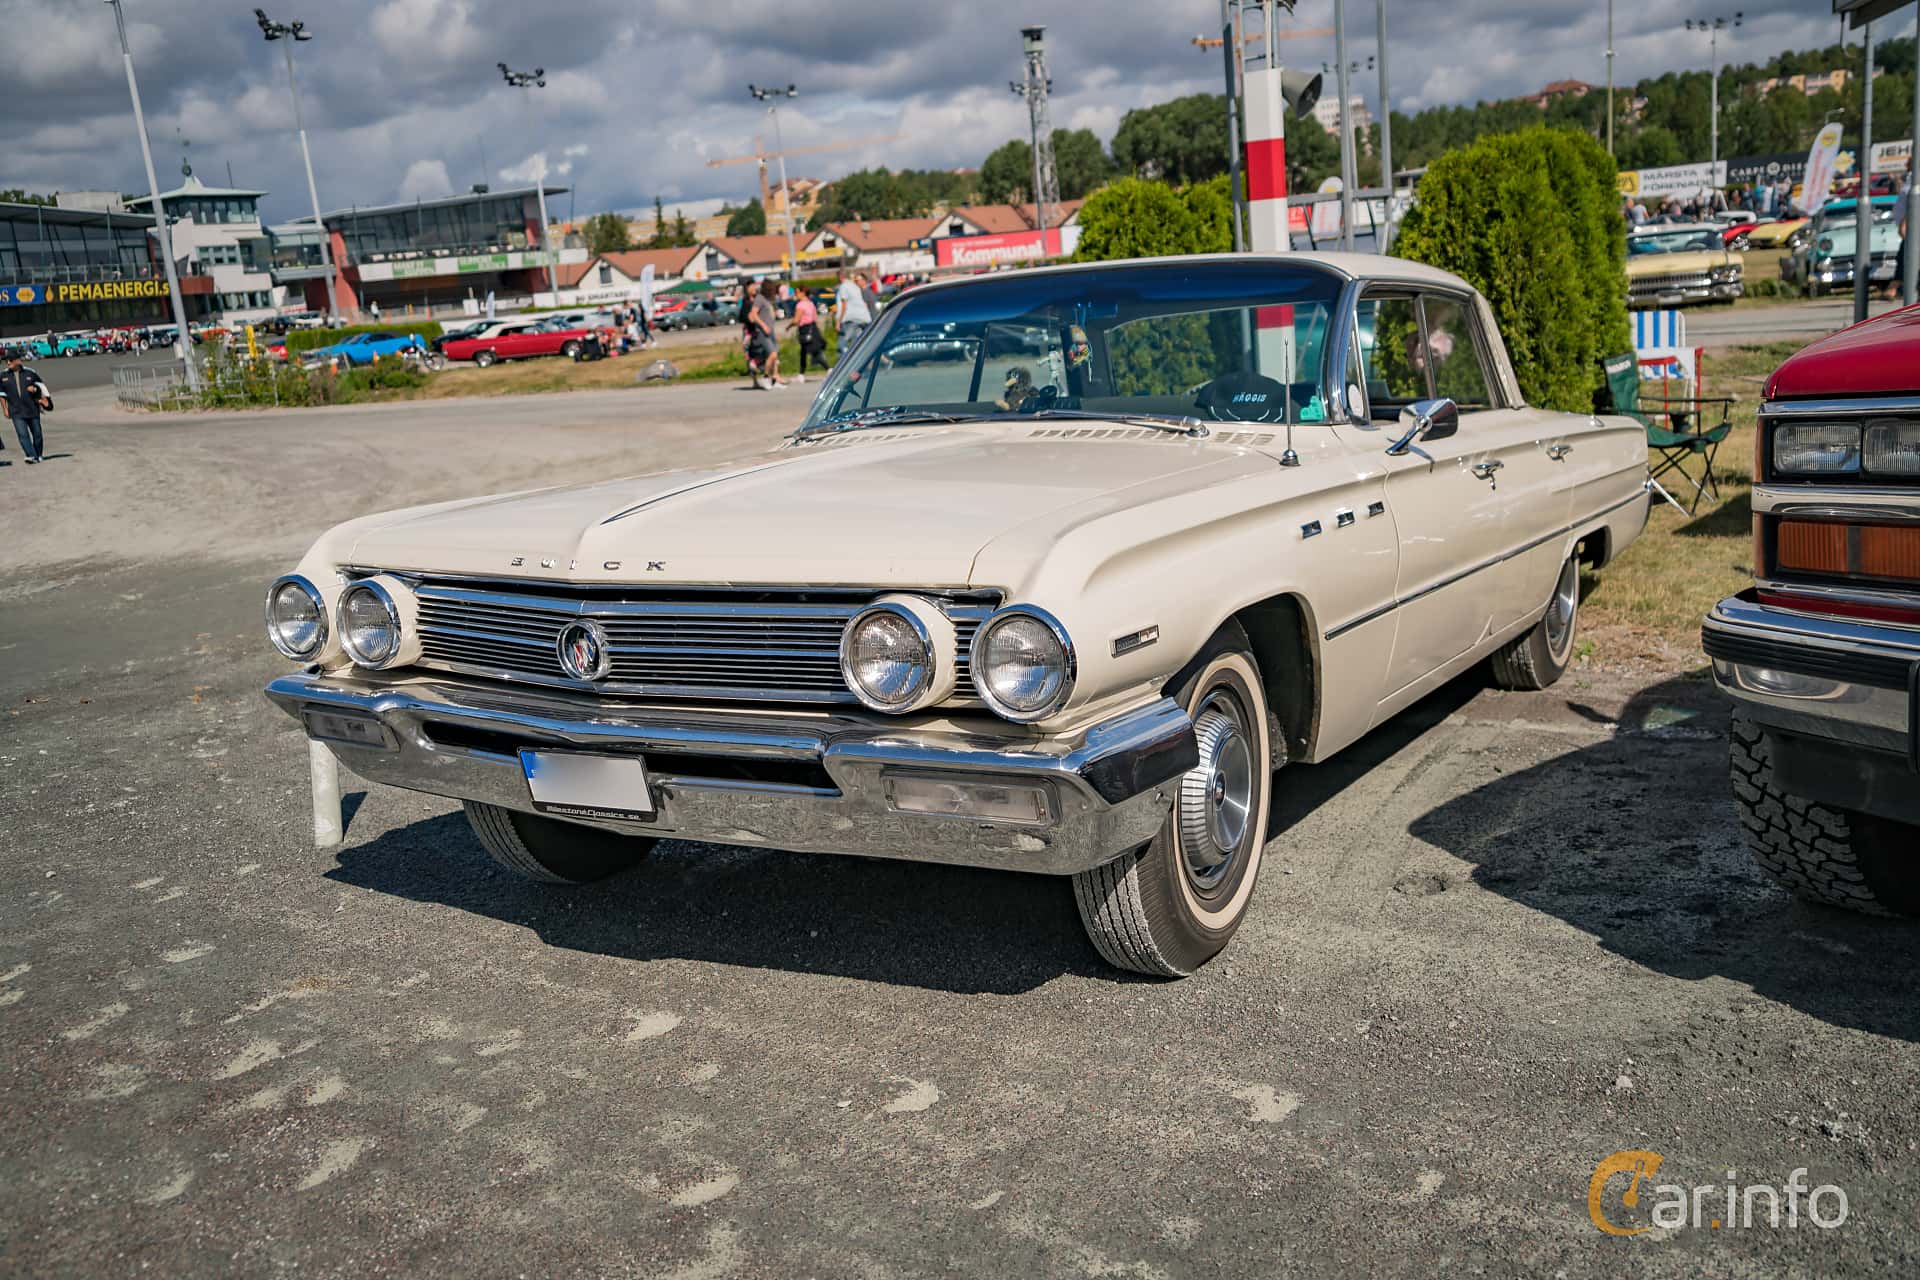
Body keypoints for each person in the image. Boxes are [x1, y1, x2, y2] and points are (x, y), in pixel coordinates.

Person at [1, 350, 52, 465]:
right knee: (22, 435)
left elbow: (42, 388)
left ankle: (38, 454)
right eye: (6, 360)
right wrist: (4, 409)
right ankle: (31, 455)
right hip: (15, 411)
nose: (7, 362)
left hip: (32, 409)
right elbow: (2, 394)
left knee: (37, 434)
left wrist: (39, 395)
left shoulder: (31, 373)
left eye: (10, 360)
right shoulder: (3, 375)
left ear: (18, 360)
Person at [751, 277, 785, 389]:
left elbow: (771, 312)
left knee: (775, 356)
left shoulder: (769, 299)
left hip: (771, 331)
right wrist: (763, 325)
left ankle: (775, 380)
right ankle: (765, 377)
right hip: (762, 332)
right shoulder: (759, 298)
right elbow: (754, 314)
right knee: (772, 354)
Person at [833, 268, 870, 363]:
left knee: (842, 343)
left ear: (840, 277)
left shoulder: (843, 287)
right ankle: (859, 364)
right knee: (856, 344)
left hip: (851, 318)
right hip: (863, 317)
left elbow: (844, 305)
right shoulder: (854, 286)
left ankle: (844, 366)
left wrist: (838, 321)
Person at [790, 288, 825, 378]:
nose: (796, 294)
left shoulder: (800, 305)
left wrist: (789, 326)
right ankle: (801, 373)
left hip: (805, 329)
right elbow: (815, 317)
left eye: (797, 292)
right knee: (805, 351)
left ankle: (828, 368)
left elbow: (796, 320)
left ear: (803, 293)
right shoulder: (811, 303)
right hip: (813, 328)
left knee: (812, 351)